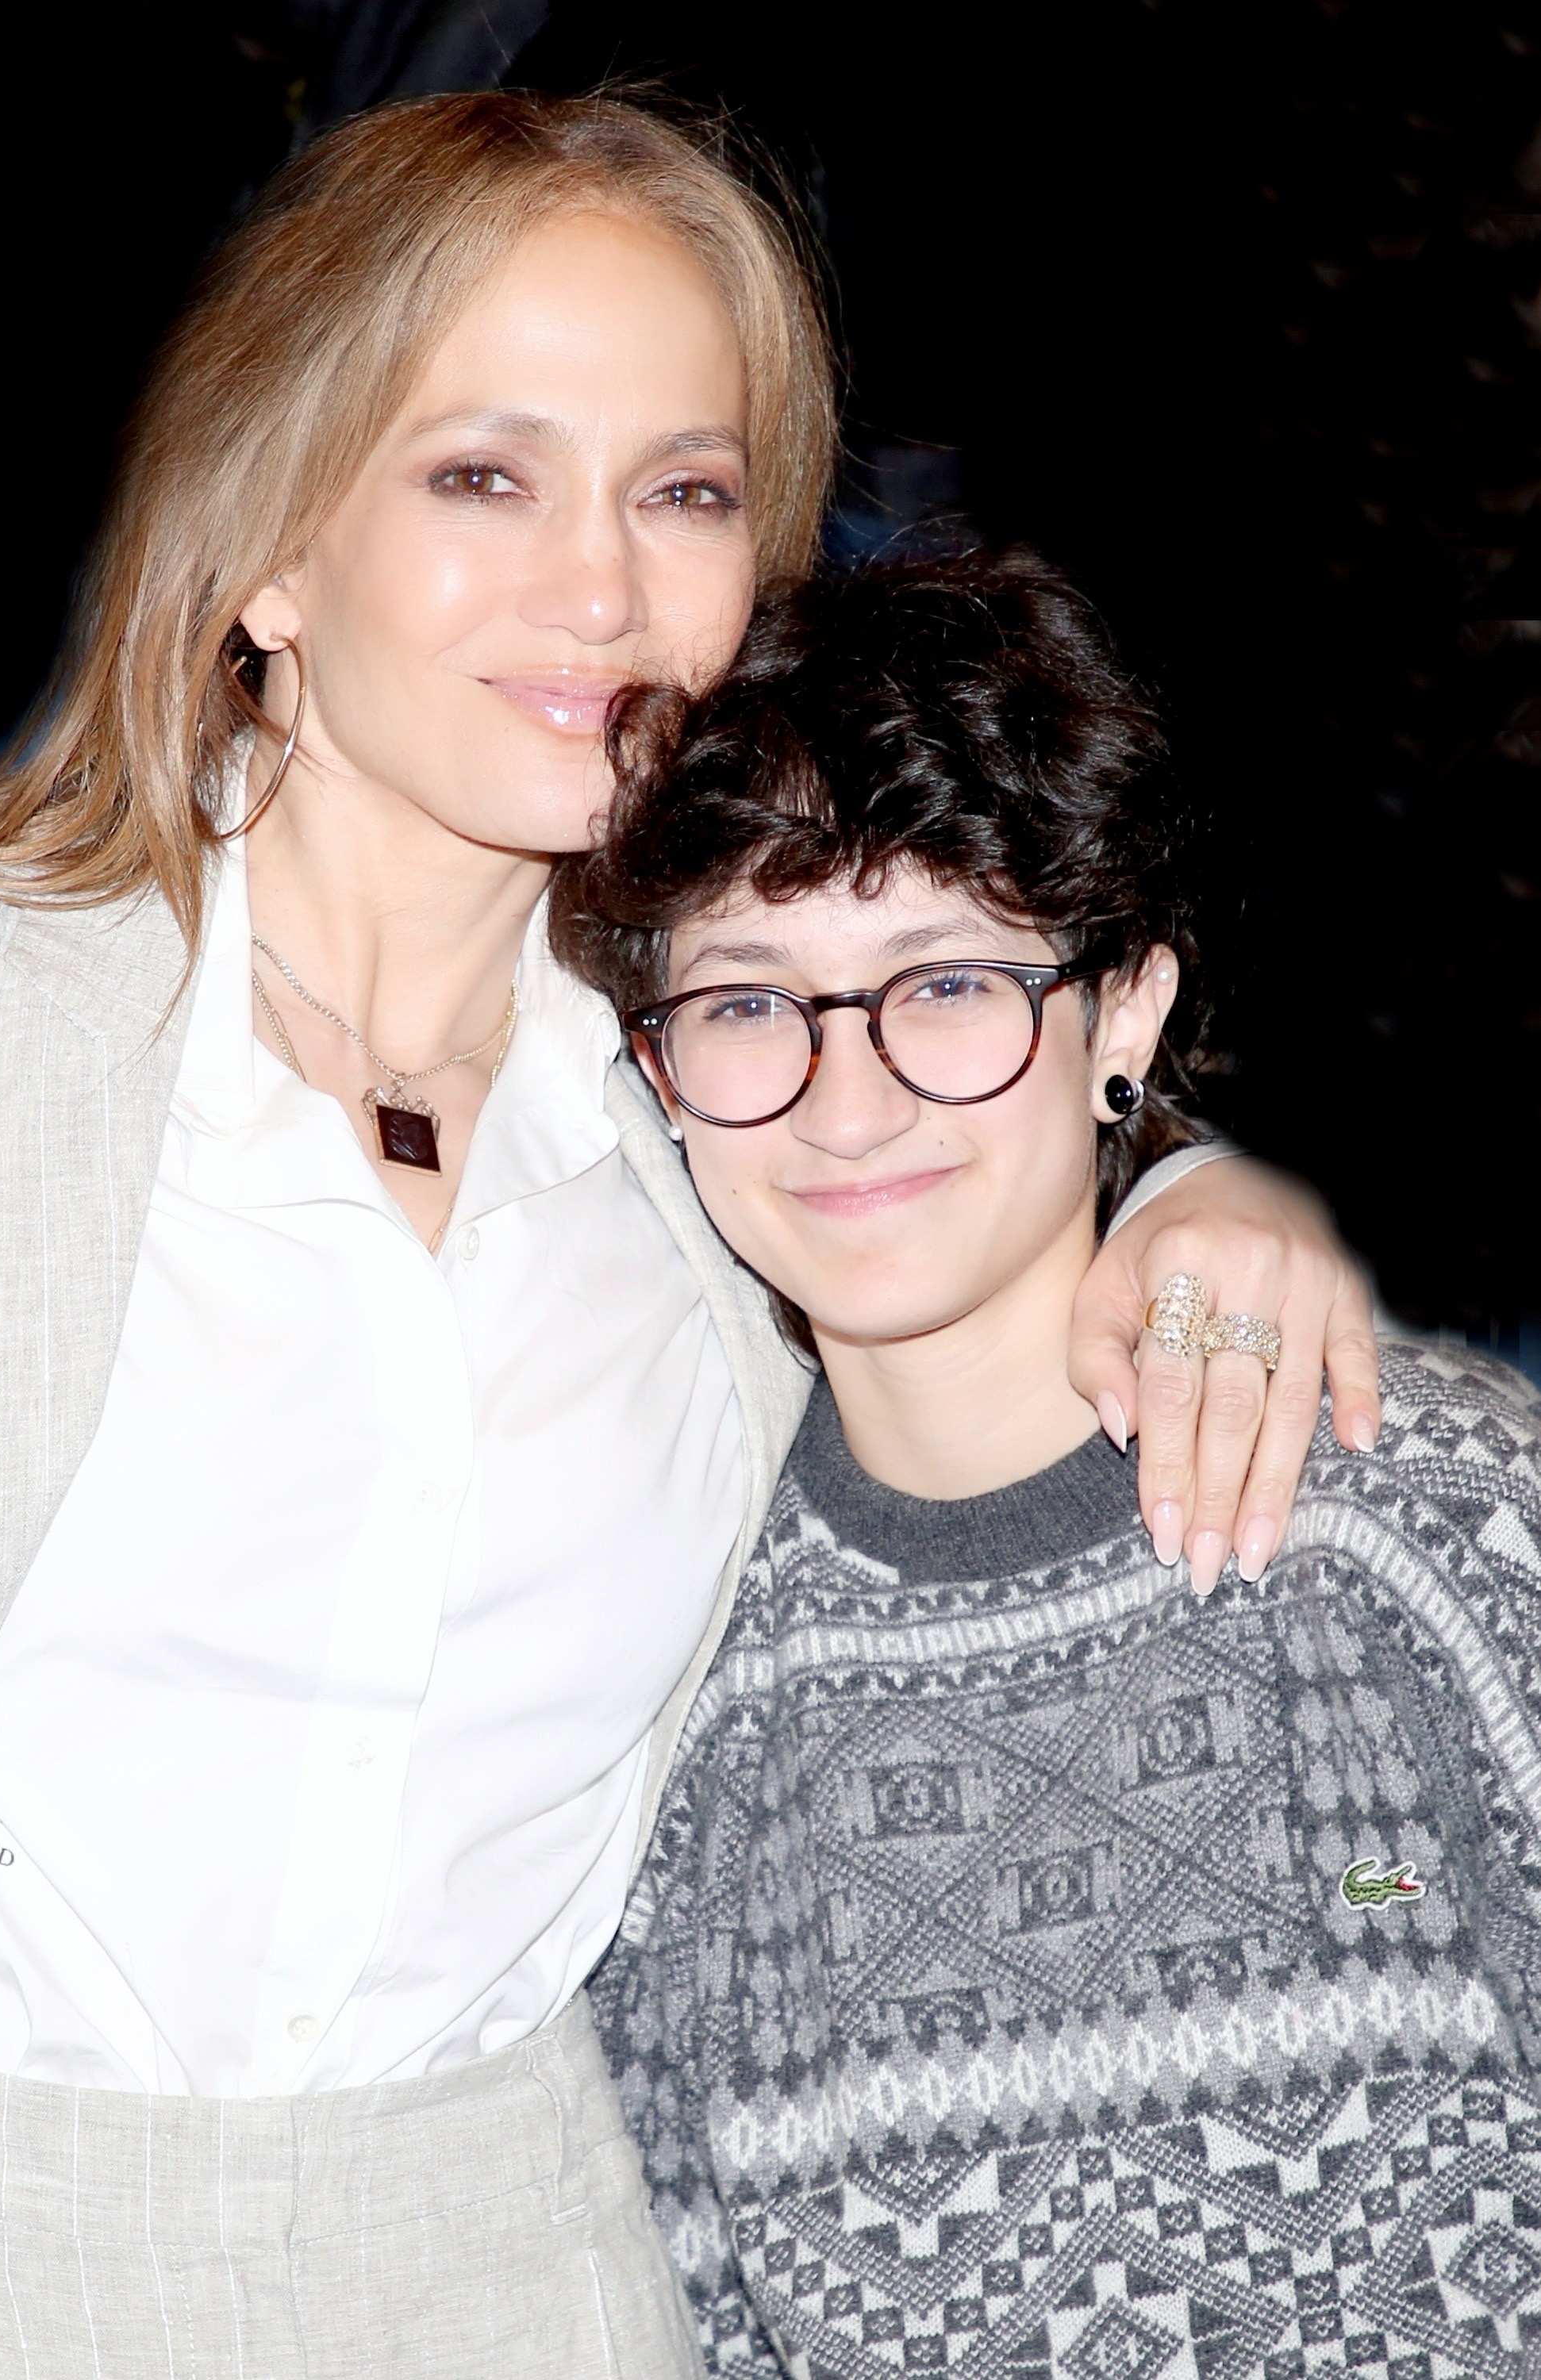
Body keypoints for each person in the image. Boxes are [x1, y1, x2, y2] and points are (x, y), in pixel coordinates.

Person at [0, 93, 1372, 2378]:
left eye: (687, 492)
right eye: (481, 474)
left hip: (526, 2284)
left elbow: (994, 1156)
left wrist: (1196, 1187)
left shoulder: (723, 1139)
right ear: (270, 545)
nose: (605, 591)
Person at [568, 552, 1541, 2380]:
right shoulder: (669, 1688)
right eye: (752, 1003)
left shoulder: (1438, 1523)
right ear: (662, 1068)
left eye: (945, 985)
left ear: (1126, 1015)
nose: (846, 1104)